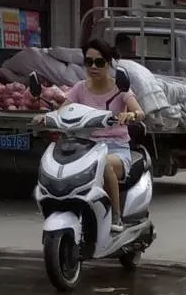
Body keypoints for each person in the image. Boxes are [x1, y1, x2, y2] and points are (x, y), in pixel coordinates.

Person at [47, 38, 144, 224]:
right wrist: (46, 117)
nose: (93, 67)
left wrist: (131, 115)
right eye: (88, 62)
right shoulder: (79, 88)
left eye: (98, 62)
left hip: (116, 149)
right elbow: (63, 110)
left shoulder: (120, 89)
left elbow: (140, 112)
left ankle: (116, 217)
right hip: (85, 147)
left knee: (103, 165)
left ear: (108, 64)